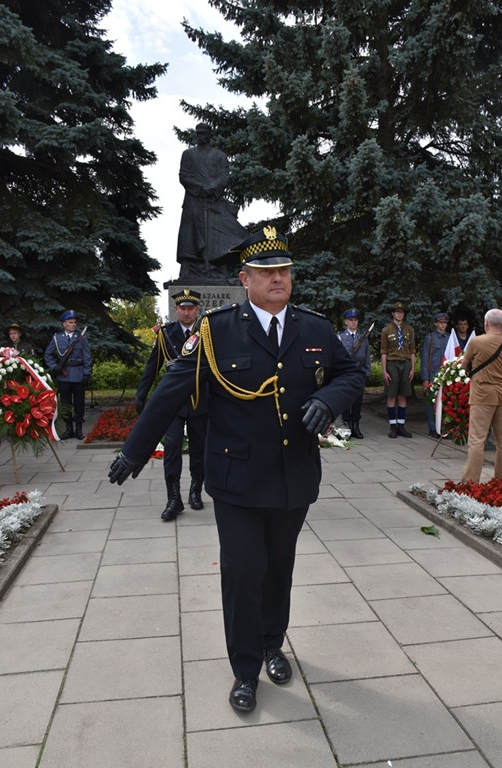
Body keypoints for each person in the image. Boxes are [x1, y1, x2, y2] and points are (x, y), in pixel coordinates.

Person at [109, 225, 364, 714]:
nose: (278, 279)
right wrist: (134, 452)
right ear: (244, 279)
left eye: (284, 271)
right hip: (237, 480)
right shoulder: (216, 330)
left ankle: (273, 644)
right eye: (267, 273)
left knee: (279, 569)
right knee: (243, 571)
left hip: (293, 476)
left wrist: (327, 399)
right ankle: (245, 669)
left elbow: (349, 371)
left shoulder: (313, 327)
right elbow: (171, 390)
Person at [135, 289, 208, 521]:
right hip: (173, 402)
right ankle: (173, 498)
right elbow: (153, 365)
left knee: (199, 450)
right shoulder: (166, 334)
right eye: (182, 308)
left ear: (197, 309)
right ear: (176, 309)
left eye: (191, 308)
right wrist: (141, 394)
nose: (186, 313)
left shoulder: (205, 332)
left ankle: (195, 491)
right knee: (172, 449)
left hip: (200, 398)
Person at [176, 123, 248, 282]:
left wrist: (212, 187)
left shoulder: (219, 156)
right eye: (198, 133)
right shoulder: (188, 154)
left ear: (209, 135)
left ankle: (216, 267)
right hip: (193, 202)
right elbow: (184, 176)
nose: (201, 136)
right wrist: (201, 188)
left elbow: (224, 176)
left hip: (213, 202)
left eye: (204, 133)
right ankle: (191, 269)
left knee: (216, 236)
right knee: (192, 238)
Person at [460, 308, 502, 483]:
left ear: (486, 323)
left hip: (482, 395)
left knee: (477, 440)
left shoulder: (476, 341)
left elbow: (465, 365)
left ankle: (470, 482)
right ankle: (501, 483)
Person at [45, 310, 91, 440]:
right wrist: (55, 367)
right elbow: (48, 355)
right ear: (64, 324)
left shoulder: (81, 338)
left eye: (75, 322)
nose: (73, 325)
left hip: (78, 374)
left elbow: (87, 357)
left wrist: (87, 373)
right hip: (64, 375)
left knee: (79, 404)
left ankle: (79, 430)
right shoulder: (57, 337)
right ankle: (68, 429)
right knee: (65, 404)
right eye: (70, 322)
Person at [380, 301, 416, 438]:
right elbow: (383, 352)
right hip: (392, 364)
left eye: (402, 312)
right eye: (397, 312)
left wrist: (412, 368)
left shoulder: (409, 329)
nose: (400, 314)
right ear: (393, 313)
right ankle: (393, 427)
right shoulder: (386, 330)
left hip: (405, 363)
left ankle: (401, 426)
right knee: (392, 395)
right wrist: (384, 371)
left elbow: (412, 351)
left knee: (403, 395)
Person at [337, 308, 371, 438]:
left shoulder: (363, 338)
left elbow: (367, 356)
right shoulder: (340, 336)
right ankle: (346, 425)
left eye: (355, 320)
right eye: (350, 320)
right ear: (346, 321)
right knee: (346, 400)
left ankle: (356, 426)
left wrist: (366, 372)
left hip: (359, 372)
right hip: (345, 373)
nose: (353, 322)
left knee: (357, 400)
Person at [420, 312, 450, 438]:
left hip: (446, 375)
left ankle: (443, 428)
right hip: (433, 374)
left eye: (445, 323)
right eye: (440, 323)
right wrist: (425, 378)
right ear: (436, 323)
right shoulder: (430, 338)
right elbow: (425, 358)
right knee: (431, 402)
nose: (443, 325)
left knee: (445, 402)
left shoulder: (449, 337)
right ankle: (433, 428)